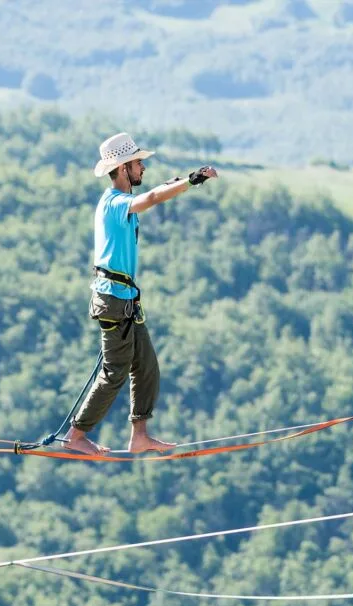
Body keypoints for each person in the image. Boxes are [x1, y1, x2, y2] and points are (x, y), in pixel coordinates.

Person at [62, 132, 218, 456]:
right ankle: (76, 435)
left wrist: (173, 183)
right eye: (138, 163)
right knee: (114, 371)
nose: (143, 168)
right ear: (122, 169)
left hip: (126, 300)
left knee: (146, 365)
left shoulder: (121, 203)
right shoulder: (114, 203)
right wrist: (192, 181)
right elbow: (150, 200)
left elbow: (150, 195)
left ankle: (140, 435)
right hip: (113, 300)